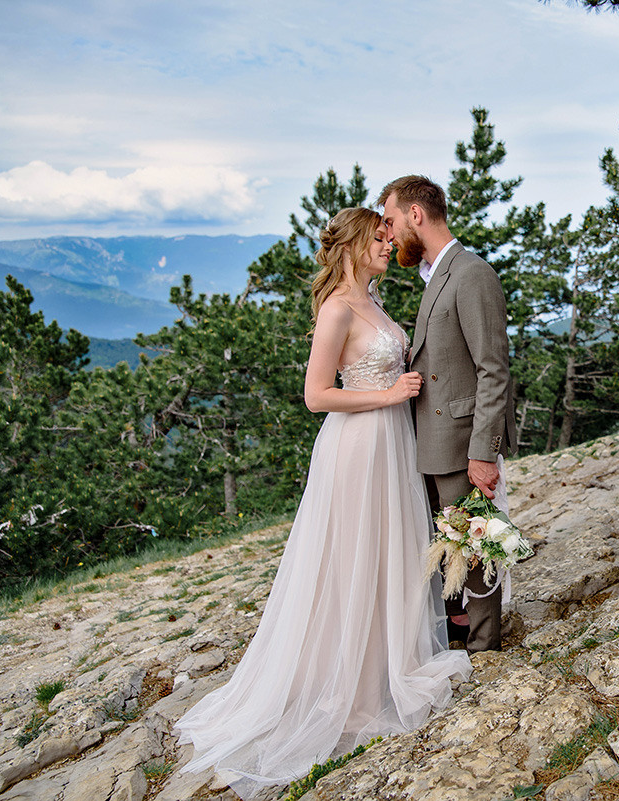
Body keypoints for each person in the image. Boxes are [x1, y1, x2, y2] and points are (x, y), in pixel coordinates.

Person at [173, 207, 471, 798]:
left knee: (387, 555)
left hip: (392, 442)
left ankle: (382, 667)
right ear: (355, 245)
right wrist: (388, 394)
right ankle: (352, 693)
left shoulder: (373, 300)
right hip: (358, 447)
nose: (389, 244)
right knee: (352, 558)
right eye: (379, 238)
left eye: (388, 235)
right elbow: (316, 395)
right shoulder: (337, 308)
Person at [377, 176, 516, 653]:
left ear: (416, 214)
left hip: (460, 441)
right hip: (431, 439)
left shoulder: (471, 273)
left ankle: (484, 645)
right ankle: (458, 631)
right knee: (447, 546)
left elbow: (493, 370)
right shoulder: (436, 274)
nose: (389, 234)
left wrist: (483, 452)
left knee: (473, 544)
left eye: (391, 221)